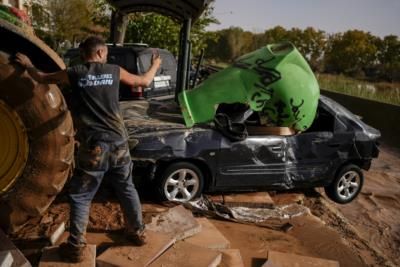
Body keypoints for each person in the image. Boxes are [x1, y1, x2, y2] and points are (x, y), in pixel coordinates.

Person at [15, 36, 162, 262]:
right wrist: (155, 65)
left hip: (94, 147)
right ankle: (138, 232)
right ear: (102, 53)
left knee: (82, 196)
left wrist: (27, 65)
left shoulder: (75, 73)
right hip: (119, 144)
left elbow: (42, 77)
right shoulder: (114, 70)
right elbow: (142, 82)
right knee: (126, 188)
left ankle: (76, 246)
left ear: (84, 55)